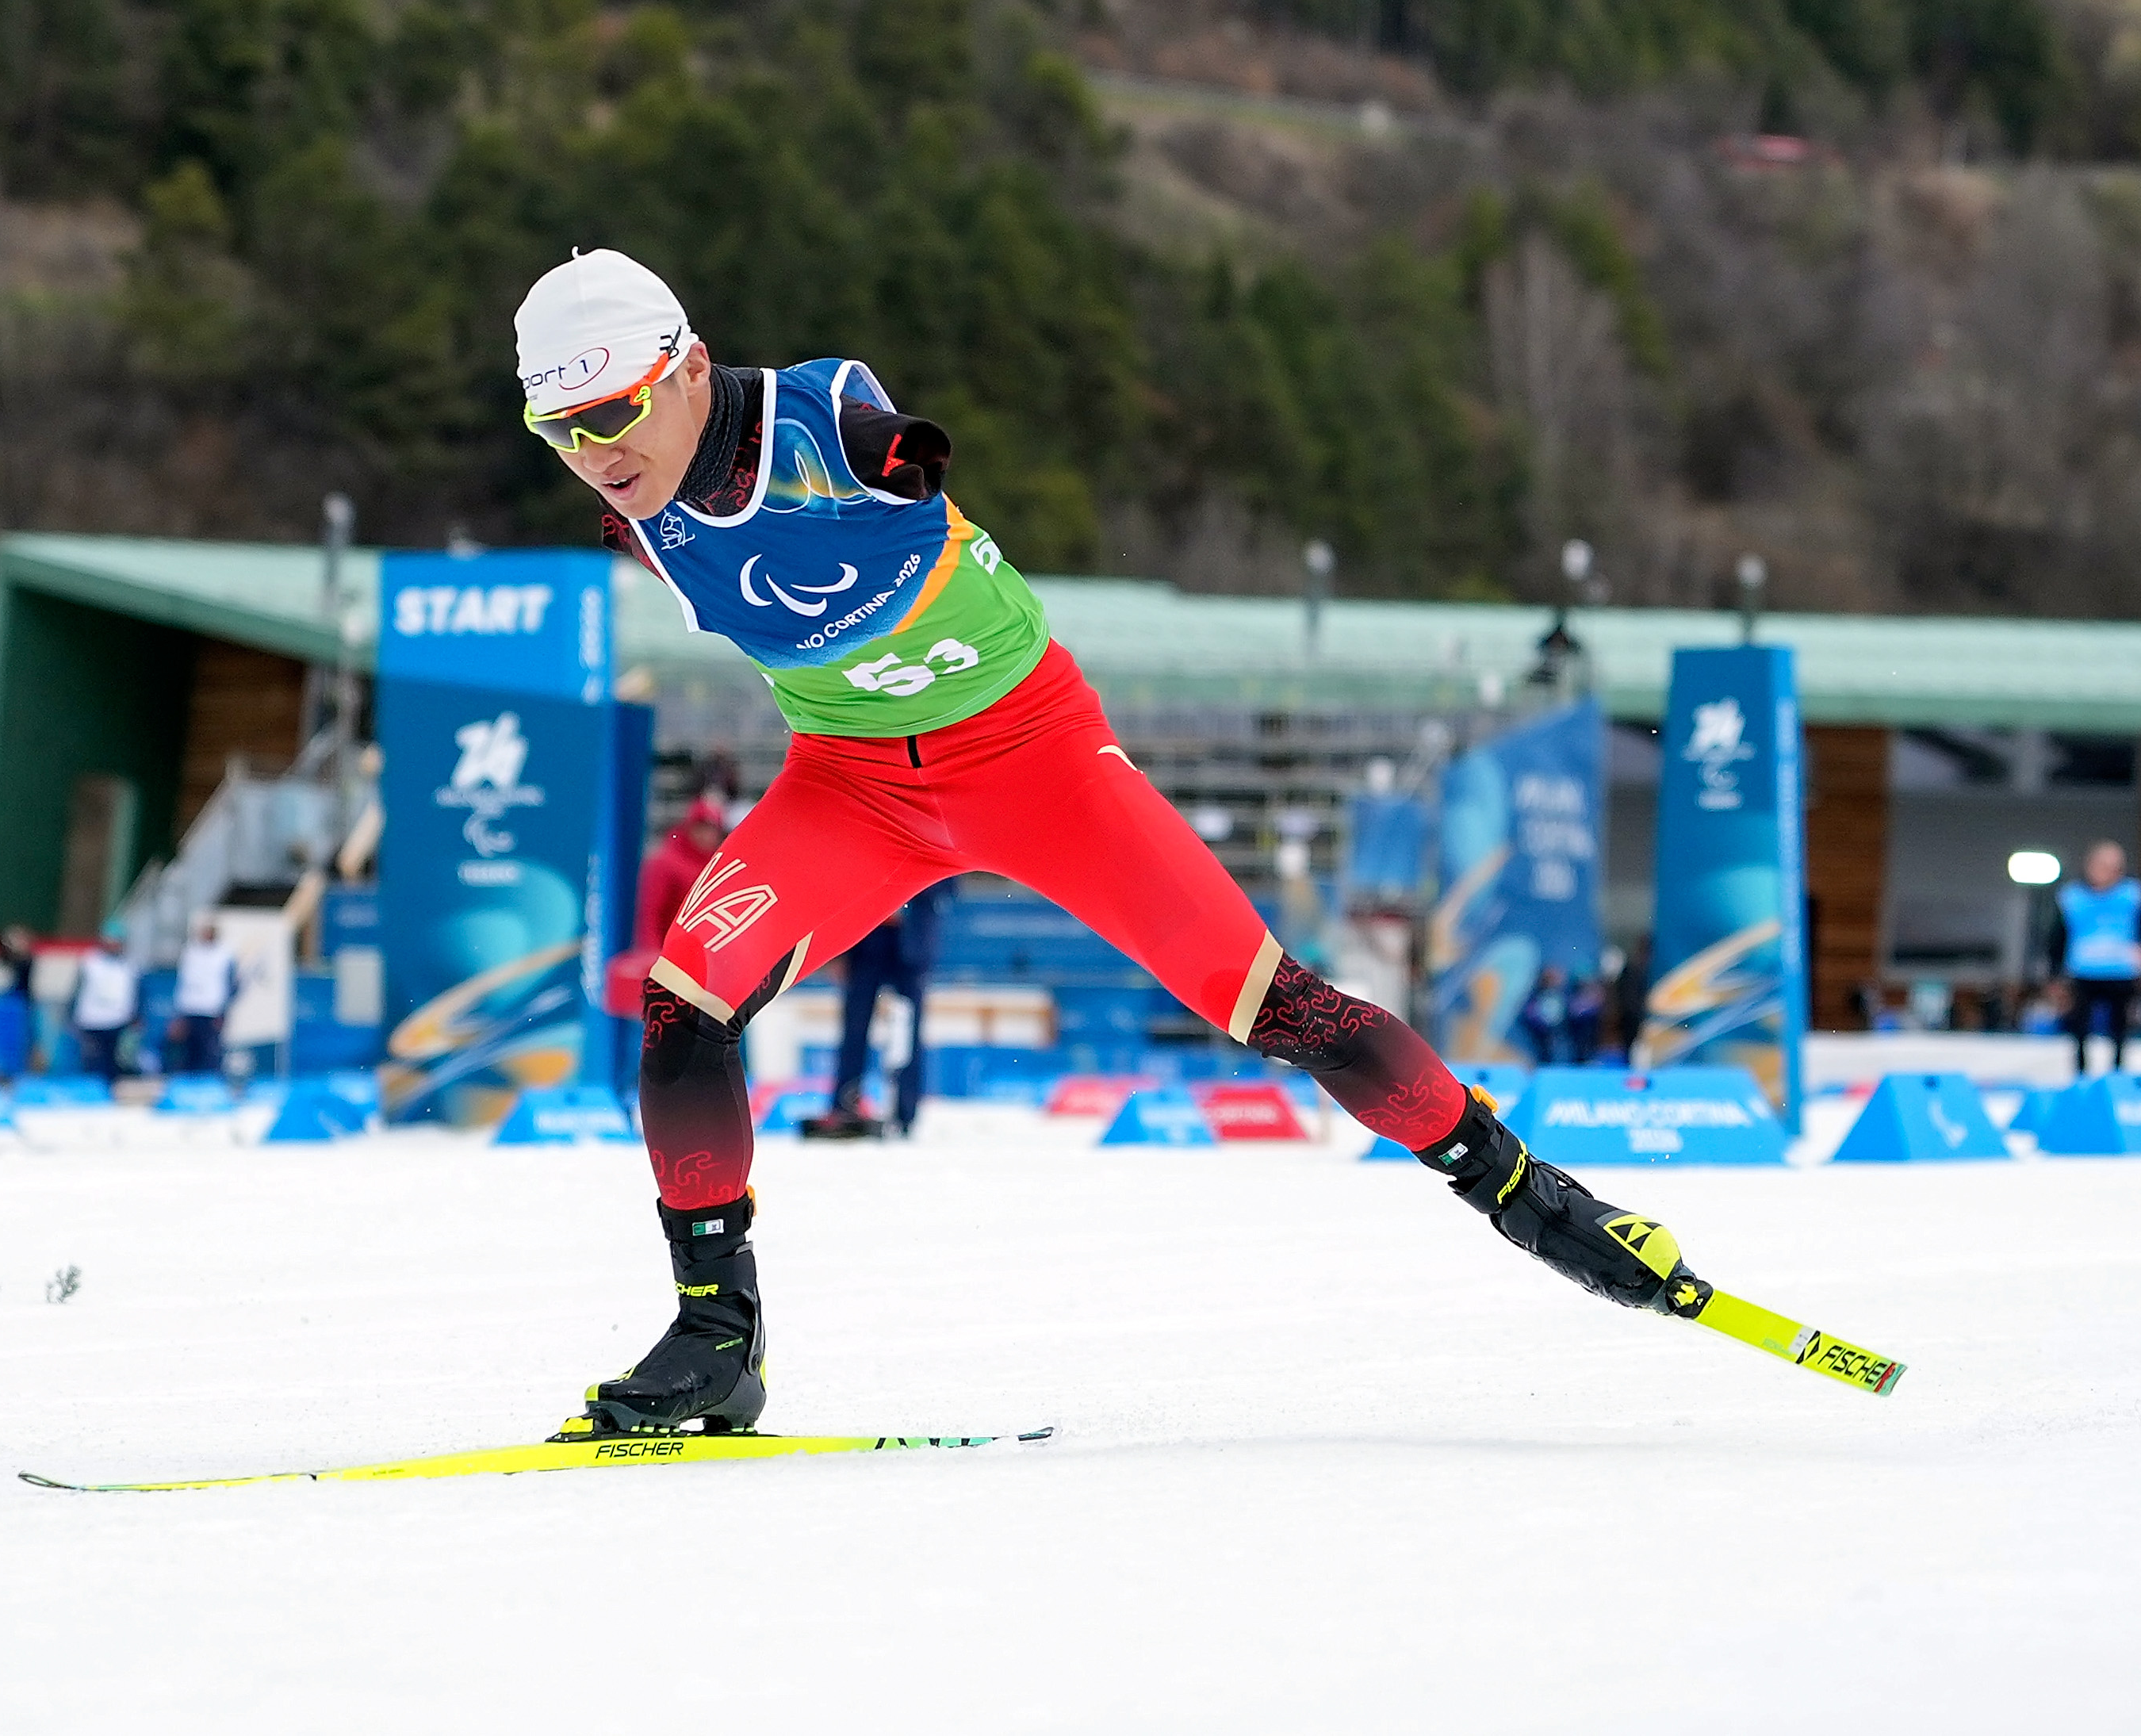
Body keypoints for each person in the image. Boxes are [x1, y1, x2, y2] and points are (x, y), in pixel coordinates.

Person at [514, 247, 1703, 1439]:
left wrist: (895, 459)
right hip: (852, 785)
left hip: (1033, 763)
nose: (593, 450)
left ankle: (1530, 1193)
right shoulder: (637, 508)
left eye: (613, 411)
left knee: (1279, 1006)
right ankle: (718, 1336)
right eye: (558, 428)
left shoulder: (815, 424)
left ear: (692, 370)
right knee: (683, 1007)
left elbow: (885, 440)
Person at [803, 880, 956, 1140]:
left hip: (911, 938)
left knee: (907, 1030)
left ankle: (904, 1112)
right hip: (868, 939)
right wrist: (838, 952)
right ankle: (845, 1105)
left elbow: (947, 883)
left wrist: (908, 890)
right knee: (855, 1027)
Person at [604, 793, 727, 1016]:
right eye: (701, 828)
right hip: (669, 963)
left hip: (703, 969)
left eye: (712, 829)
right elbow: (650, 914)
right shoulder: (665, 862)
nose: (706, 836)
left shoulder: (716, 866)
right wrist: (653, 960)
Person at [2049, 839, 2141, 1075]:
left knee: (2119, 1027)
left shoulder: (2132, 895)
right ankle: (2080, 1075)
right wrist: (2054, 974)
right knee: (2079, 1026)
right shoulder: (2072, 897)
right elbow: (2057, 936)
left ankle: (2117, 1074)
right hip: (2083, 971)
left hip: (2121, 971)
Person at [71, 928, 140, 1086]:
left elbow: (136, 992)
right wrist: (72, 1016)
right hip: (92, 1021)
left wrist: (136, 1015)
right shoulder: (90, 962)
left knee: (115, 1063)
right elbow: (76, 991)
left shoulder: (130, 965)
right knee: (92, 1063)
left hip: (118, 1020)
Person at [170, 920, 239, 1075]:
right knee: (188, 1053)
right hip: (190, 1010)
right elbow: (183, 982)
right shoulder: (190, 953)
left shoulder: (225, 955)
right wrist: (179, 1013)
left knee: (210, 1053)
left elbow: (231, 985)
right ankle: (188, 1083)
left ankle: (210, 1084)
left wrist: (223, 1011)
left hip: (212, 1011)